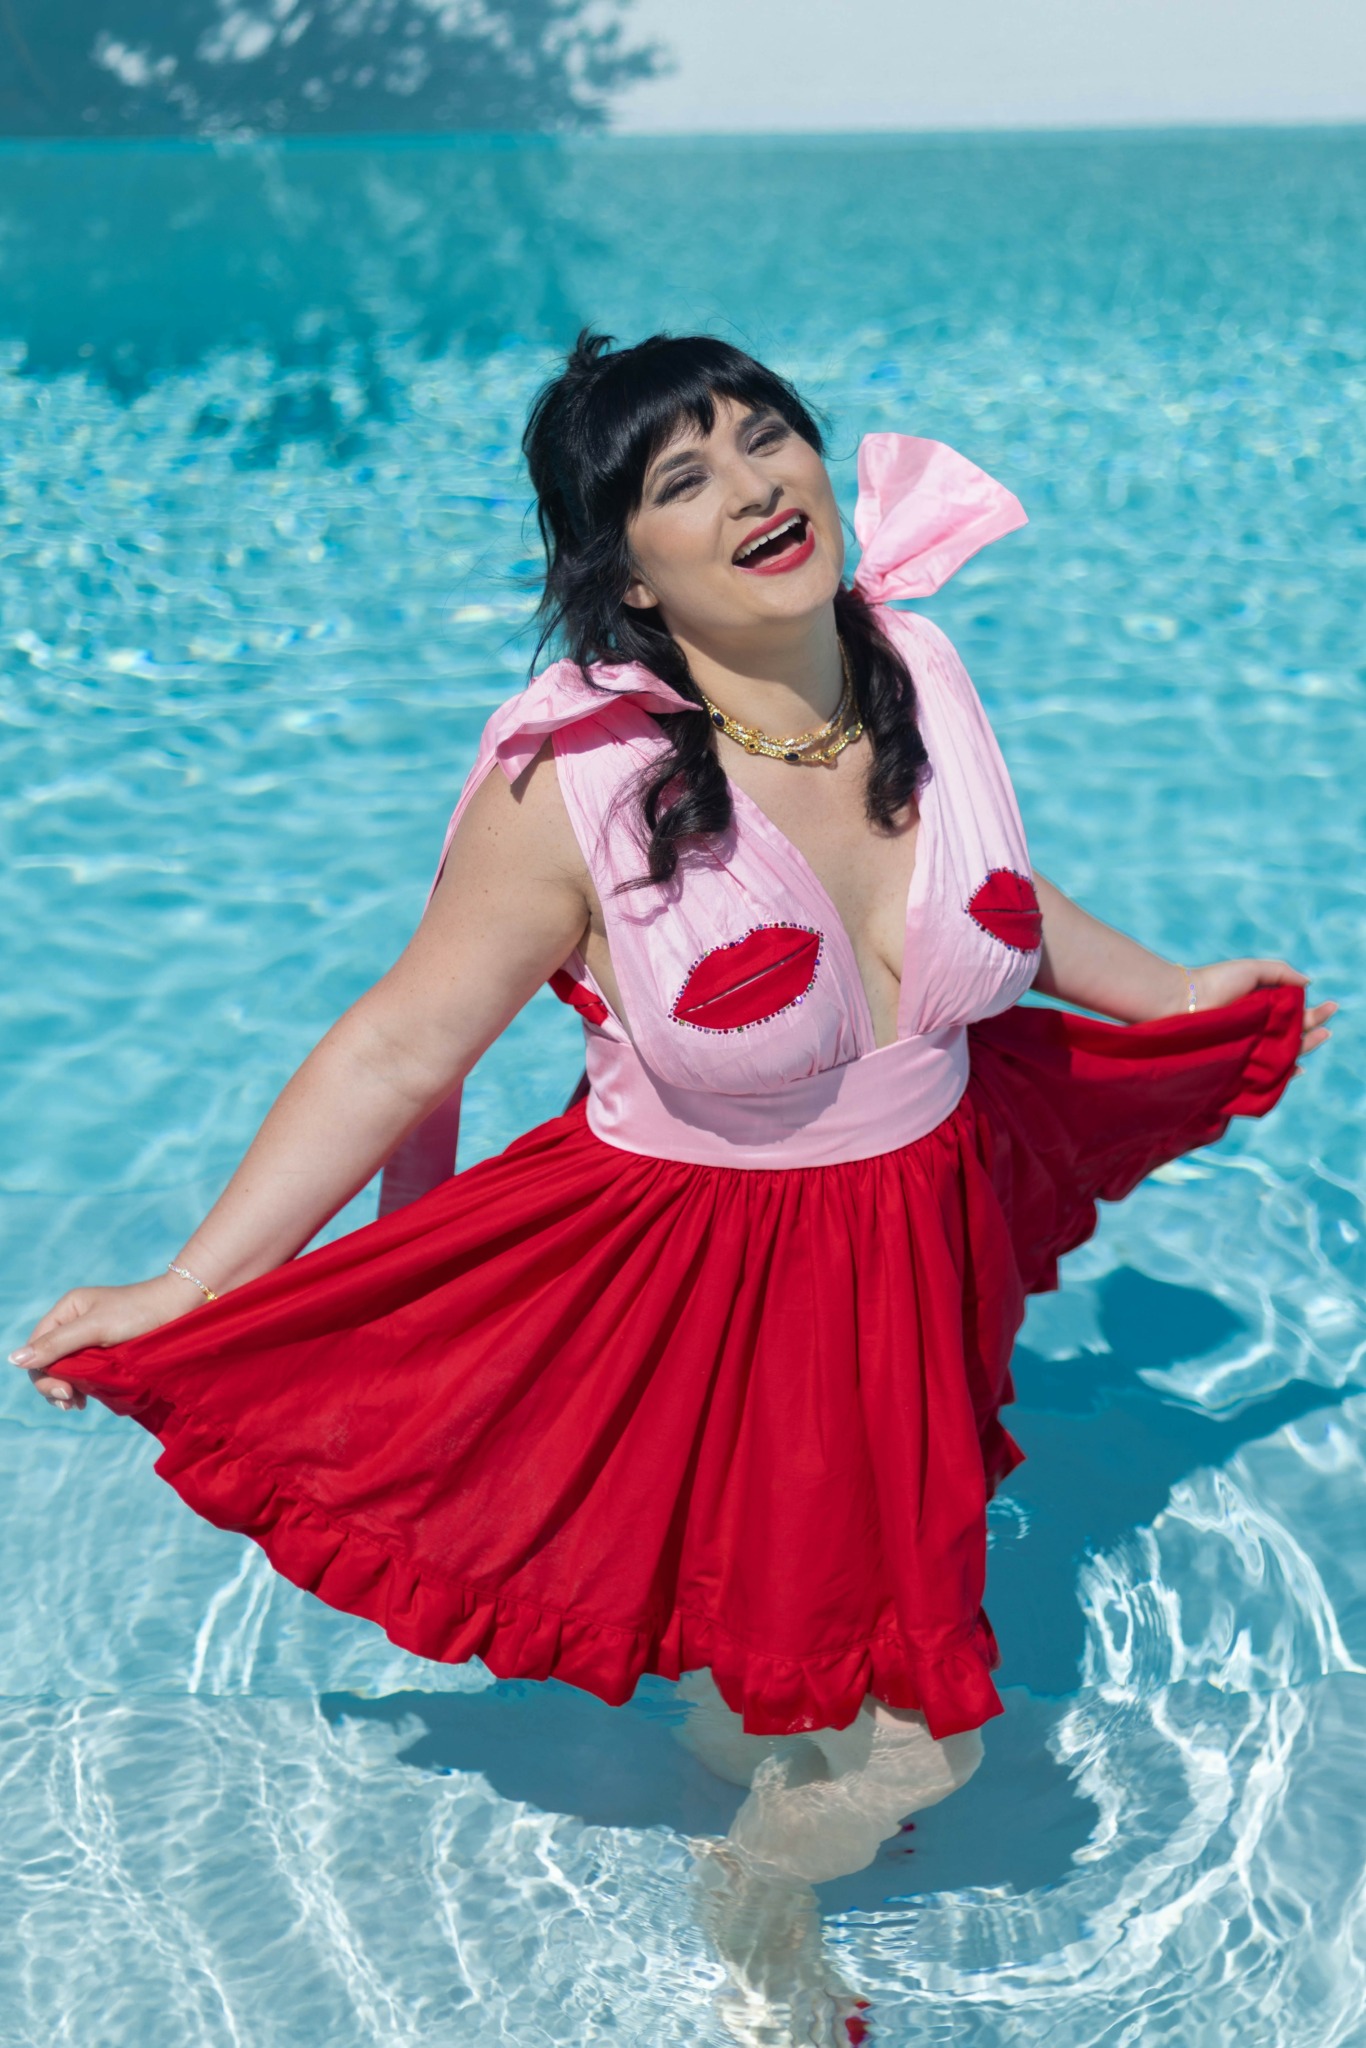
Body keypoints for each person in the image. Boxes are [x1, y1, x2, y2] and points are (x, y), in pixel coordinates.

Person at [11, 332, 1332, 2045]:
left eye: (766, 437)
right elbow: (400, 1046)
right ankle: (758, 1899)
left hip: (911, 1236)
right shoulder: (573, 786)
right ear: (624, 574)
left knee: (785, 1640)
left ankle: (752, 1750)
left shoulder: (910, 664)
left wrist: (1170, 997)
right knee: (921, 1743)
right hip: (704, 1274)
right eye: (680, 480)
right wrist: (191, 1289)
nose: (754, 487)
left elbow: (994, 888)